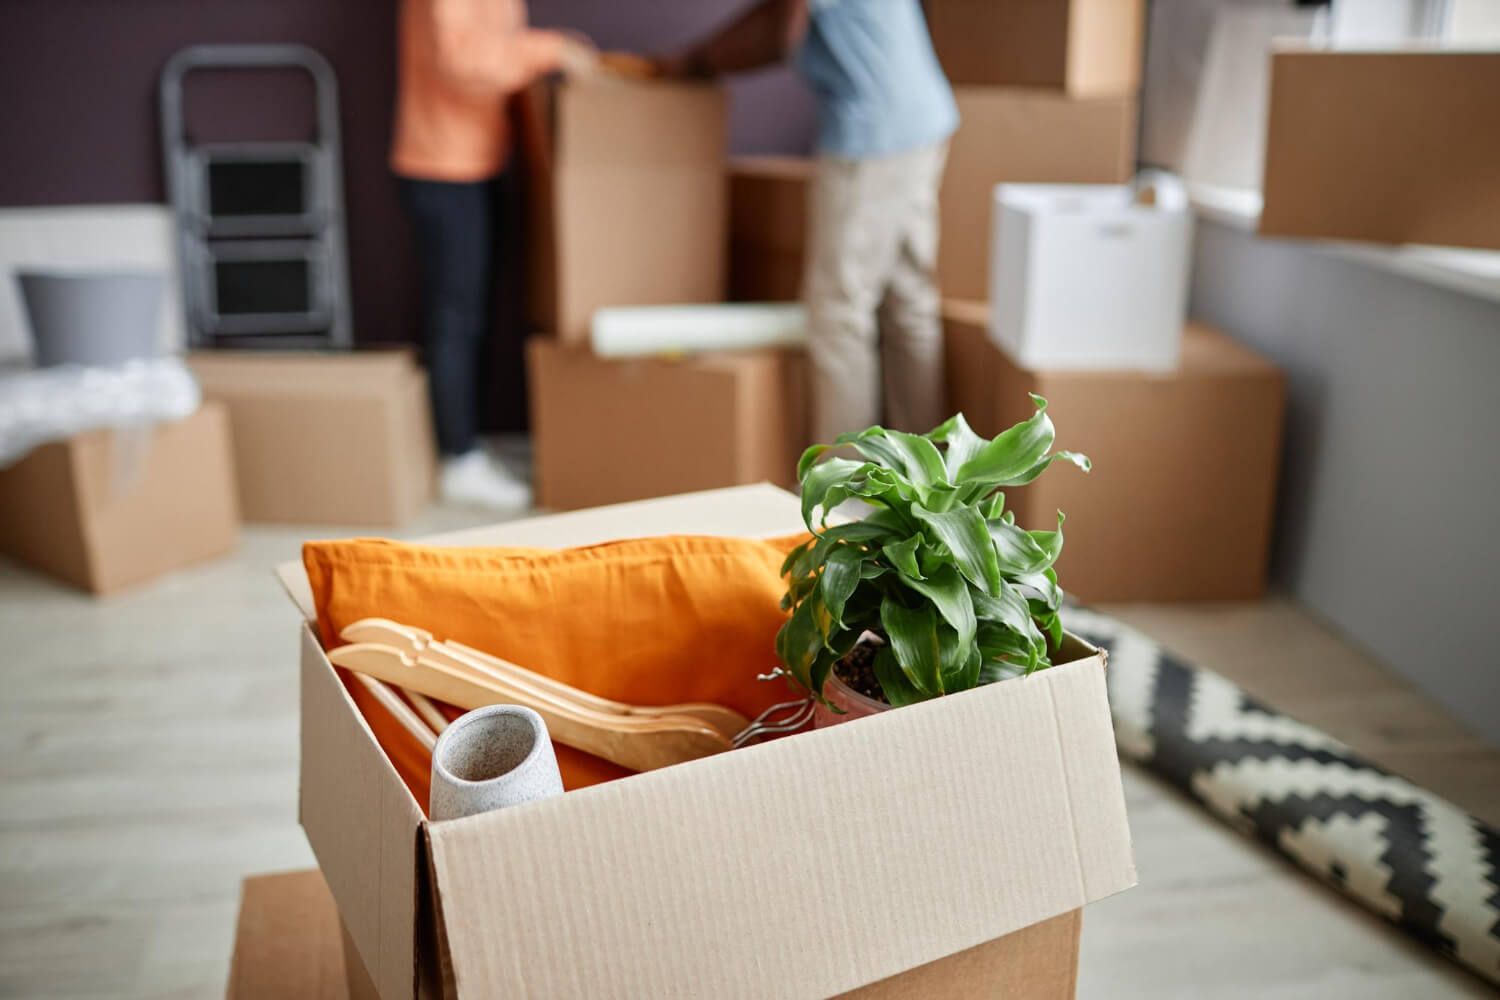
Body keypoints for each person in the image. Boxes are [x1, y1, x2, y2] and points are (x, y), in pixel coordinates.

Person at [652, 0, 957, 443]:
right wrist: (698, 58)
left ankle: (844, 483)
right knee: (908, 301)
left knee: (838, 312)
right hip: (920, 115)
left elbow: (780, 31)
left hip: (872, 133)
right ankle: (933, 470)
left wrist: (693, 62)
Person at [391, 0, 595, 508]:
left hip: (481, 157)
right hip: (441, 164)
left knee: (472, 314)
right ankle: (458, 458)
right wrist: (553, 49)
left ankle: (470, 447)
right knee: (455, 316)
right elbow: (459, 60)